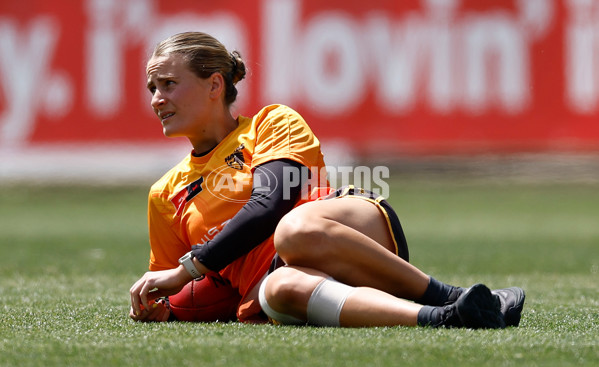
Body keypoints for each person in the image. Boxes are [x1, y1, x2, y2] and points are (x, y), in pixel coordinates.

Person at [129, 31, 525, 329]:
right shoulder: (164, 194)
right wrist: (157, 308)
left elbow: (271, 204)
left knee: (294, 230)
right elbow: (178, 295)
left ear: (215, 84)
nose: (156, 99)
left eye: (168, 84)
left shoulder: (272, 122)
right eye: (152, 88)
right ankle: (446, 316)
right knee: (277, 291)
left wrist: (189, 267)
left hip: (348, 233)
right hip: (284, 277)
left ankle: (453, 293)